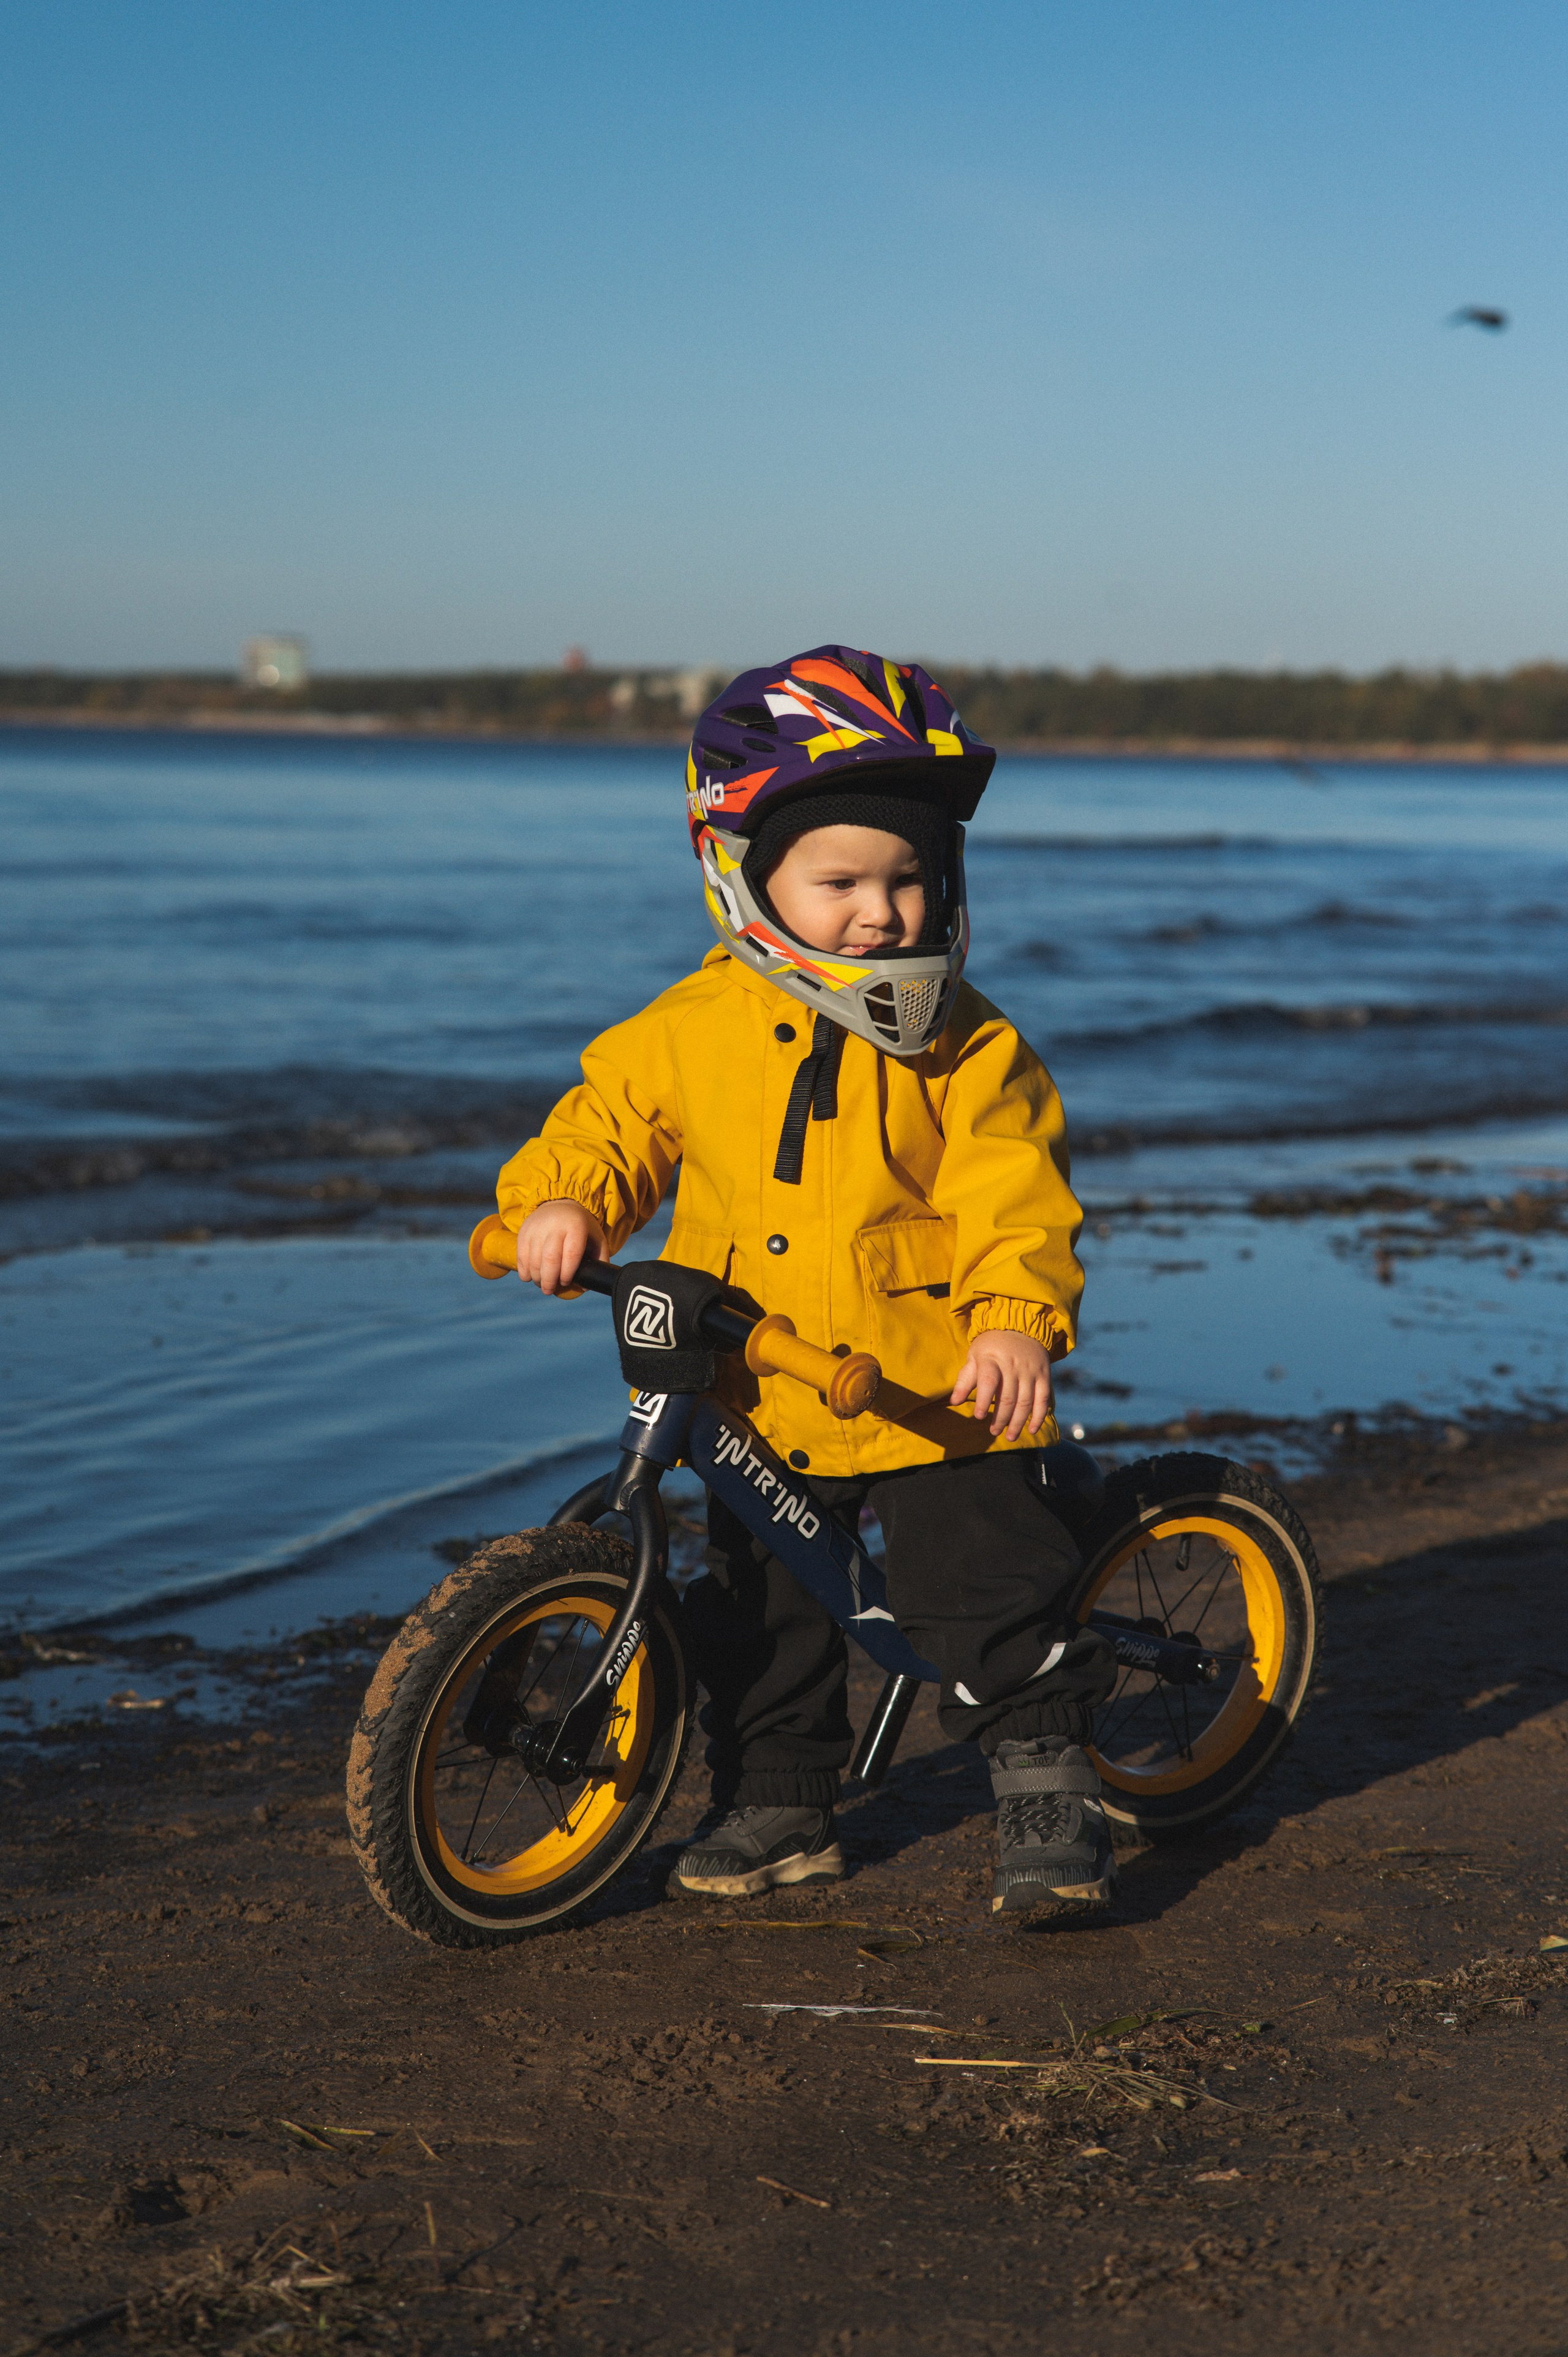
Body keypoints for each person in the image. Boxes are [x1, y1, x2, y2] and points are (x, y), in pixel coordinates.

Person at [494, 646, 1117, 1915]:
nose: (877, 912)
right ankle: (779, 1797)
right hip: (753, 1376)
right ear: (745, 875)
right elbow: (610, 1126)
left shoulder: (967, 1042)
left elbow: (1013, 1193)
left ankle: (1046, 1778)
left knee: (982, 1584)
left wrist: (1007, 1326)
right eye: (838, 881)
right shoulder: (690, 1026)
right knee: (753, 1608)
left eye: (906, 879)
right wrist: (557, 1202)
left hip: (930, 1384)